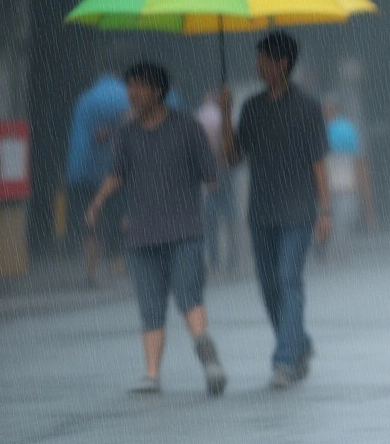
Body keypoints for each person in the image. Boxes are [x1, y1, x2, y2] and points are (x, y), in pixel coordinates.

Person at [85, 62, 225, 395]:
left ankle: (207, 353)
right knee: (150, 306)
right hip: (142, 234)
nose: (132, 93)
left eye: (139, 86)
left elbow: (211, 174)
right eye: (129, 86)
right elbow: (117, 174)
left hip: (184, 232)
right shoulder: (126, 132)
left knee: (189, 296)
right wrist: (97, 202)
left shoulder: (187, 126)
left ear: (158, 91)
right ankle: (151, 374)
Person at [220, 31, 330, 391]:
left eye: (263, 59)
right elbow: (233, 158)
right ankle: (299, 344)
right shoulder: (251, 108)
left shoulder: (308, 106)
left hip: (299, 210)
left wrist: (325, 211)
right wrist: (224, 116)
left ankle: (284, 359)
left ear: (282, 63)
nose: (258, 66)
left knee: (288, 279)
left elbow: (318, 162)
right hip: (262, 211)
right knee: (269, 287)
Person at [66, 72, 129, 286]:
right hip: (103, 172)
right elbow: (102, 135)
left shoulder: (85, 100)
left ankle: (91, 273)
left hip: (80, 172)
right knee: (111, 217)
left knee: (90, 224)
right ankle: (117, 261)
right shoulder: (120, 99)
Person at [323, 99, 376, 260]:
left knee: (339, 230)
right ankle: (336, 258)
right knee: (337, 230)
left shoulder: (345, 132)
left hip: (343, 190)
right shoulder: (322, 131)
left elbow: (360, 166)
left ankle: (337, 259)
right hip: (333, 191)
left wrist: (369, 205)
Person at [196, 90, 241, 272]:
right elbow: (232, 148)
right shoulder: (224, 119)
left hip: (211, 175)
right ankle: (232, 258)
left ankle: (215, 259)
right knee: (230, 218)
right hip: (226, 172)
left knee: (211, 219)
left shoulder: (199, 117)